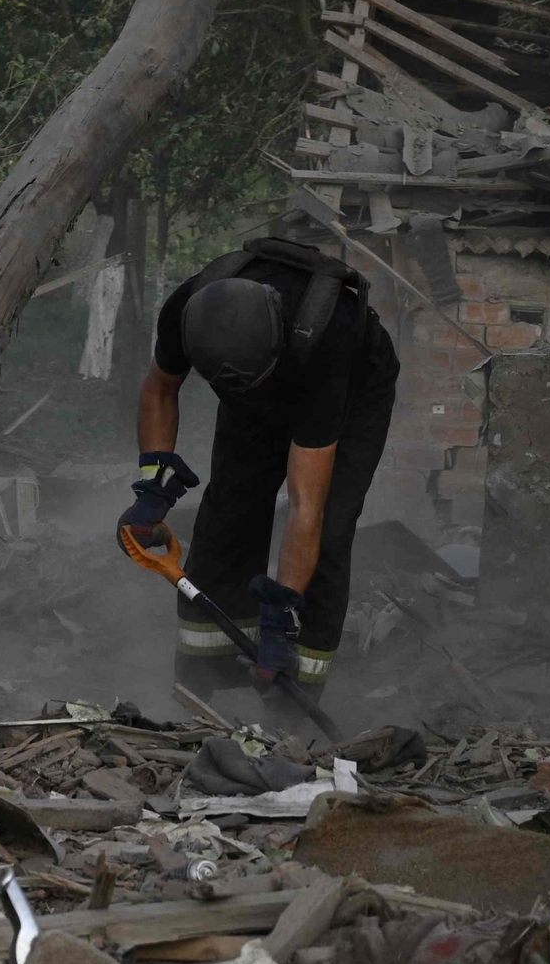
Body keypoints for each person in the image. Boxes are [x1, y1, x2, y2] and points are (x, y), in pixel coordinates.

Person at [126, 232, 398, 693]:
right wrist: (152, 487)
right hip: (254, 382)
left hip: (349, 391)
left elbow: (304, 508)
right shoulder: (186, 309)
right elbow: (160, 388)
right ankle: (205, 680)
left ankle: (295, 687)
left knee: (328, 529)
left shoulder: (327, 341)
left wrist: (281, 618)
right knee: (230, 509)